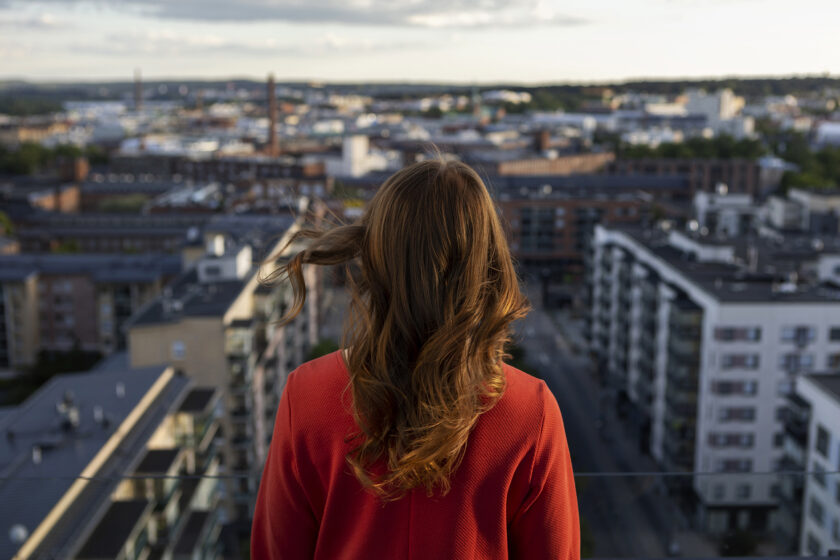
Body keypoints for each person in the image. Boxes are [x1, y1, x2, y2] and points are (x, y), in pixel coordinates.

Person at [251, 158, 579, 559]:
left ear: (375, 257)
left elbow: (275, 551)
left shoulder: (308, 394)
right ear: (486, 263)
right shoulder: (531, 411)